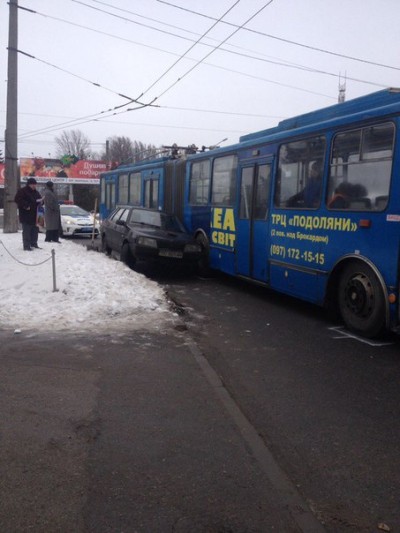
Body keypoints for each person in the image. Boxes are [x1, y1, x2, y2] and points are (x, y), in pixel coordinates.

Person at [14, 177, 42, 251]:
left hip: (35, 215)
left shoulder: (36, 192)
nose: (34, 186)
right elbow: (17, 199)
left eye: (35, 185)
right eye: (33, 184)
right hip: (26, 215)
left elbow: (39, 199)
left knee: (35, 230)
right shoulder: (22, 191)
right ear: (29, 184)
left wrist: (41, 202)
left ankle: (34, 243)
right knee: (27, 231)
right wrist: (26, 205)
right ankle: (26, 246)